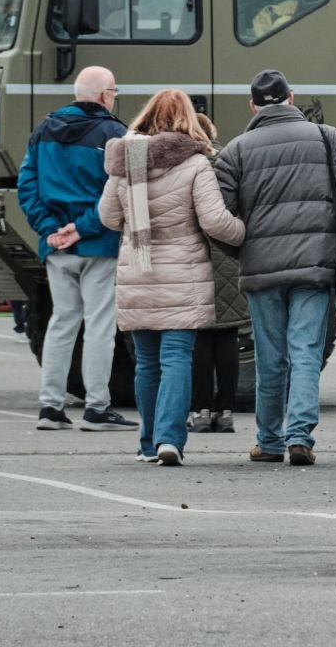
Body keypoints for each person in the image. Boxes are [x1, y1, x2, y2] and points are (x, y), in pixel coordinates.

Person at [215, 69, 336, 466]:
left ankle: (269, 441)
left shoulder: (235, 151)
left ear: (252, 105)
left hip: (262, 271)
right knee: (306, 351)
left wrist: (242, 251)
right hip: (314, 267)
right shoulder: (326, 138)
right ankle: (300, 438)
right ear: (291, 99)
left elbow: (216, 217)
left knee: (270, 356)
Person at [97, 88, 246, 467]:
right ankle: (169, 439)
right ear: (188, 121)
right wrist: (244, 233)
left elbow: (108, 218)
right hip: (182, 271)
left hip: (138, 270)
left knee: (146, 363)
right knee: (177, 356)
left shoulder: (126, 162)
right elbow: (214, 220)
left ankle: (147, 443)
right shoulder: (195, 163)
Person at [19, 66, 137, 434]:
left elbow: (27, 184)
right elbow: (117, 193)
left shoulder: (44, 130)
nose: (114, 96)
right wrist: (82, 228)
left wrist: (50, 229)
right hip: (98, 244)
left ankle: (50, 407)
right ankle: (97, 407)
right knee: (99, 325)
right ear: (103, 95)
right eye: (113, 90)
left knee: (62, 323)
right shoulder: (115, 133)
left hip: (56, 247)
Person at [188, 114, 245, 436]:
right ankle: (225, 410)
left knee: (199, 340)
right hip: (229, 260)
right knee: (227, 338)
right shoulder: (230, 162)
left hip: (195, 258)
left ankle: (200, 409)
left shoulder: (188, 167)